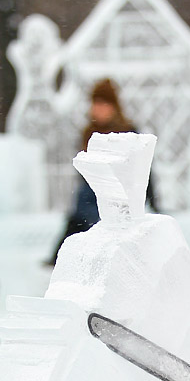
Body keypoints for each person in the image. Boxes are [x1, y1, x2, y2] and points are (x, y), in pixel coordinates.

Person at [45, 78, 157, 265]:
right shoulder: (89, 131)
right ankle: (65, 257)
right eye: (96, 103)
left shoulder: (127, 131)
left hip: (121, 192)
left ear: (113, 106)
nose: (99, 109)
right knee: (80, 212)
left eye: (103, 104)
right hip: (92, 191)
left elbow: (143, 169)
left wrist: (152, 199)